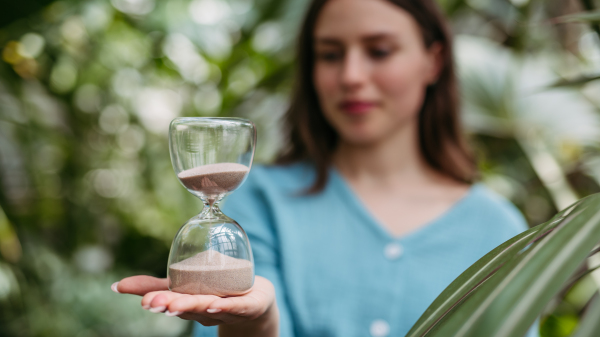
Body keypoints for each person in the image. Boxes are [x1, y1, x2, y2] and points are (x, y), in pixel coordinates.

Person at [112, 0, 535, 336]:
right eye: (330, 54)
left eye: (379, 51)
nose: (351, 75)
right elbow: (228, 319)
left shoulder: (497, 227)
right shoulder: (262, 199)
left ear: (433, 61)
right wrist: (258, 324)